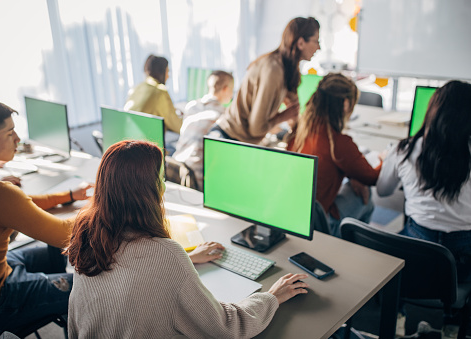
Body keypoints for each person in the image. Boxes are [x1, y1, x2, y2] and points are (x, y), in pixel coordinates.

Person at [67, 140, 309, 338]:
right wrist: (272, 296)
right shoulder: (165, 253)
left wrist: (188, 258)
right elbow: (226, 327)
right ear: (148, 192)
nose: (162, 187)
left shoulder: (88, 237)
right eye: (159, 180)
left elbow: (128, 277)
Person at [0, 98, 92, 338]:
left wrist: (70, 195)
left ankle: (53, 294)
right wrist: (105, 206)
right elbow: (66, 235)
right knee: (94, 288)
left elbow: (19, 204)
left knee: (54, 252)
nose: (18, 139)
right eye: (10, 133)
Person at [376, 80, 471, 283]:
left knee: (395, 259)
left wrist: (389, 163)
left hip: (416, 247)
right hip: (464, 257)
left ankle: (398, 310)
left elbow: (383, 191)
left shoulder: (404, 150)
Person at [287, 73, 381, 237]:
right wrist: (384, 159)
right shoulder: (338, 142)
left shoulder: (298, 133)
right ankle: (352, 246)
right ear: (345, 104)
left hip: (294, 217)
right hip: (321, 224)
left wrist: (353, 176)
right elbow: (372, 178)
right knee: (367, 195)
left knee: (355, 184)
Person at [209, 16, 320, 144]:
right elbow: (256, 128)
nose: (319, 47)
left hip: (238, 140)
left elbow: (294, 109)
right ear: (300, 43)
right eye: (316, 41)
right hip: (226, 138)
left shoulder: (288, 70)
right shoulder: (274, 70)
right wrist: (283, 116)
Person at [172, 70, 234, 189]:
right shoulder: (223, 116)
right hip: (195, 179)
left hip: (176, 168)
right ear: (226, 89)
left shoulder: (191, 106)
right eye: (232, 90)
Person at [124, 54, 182, 155]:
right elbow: (178, 127)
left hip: (130, 149)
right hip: (148, 154)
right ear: (161, 72)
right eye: (168, 71)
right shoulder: (160, 92)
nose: (168, 76)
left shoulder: (138, 88)